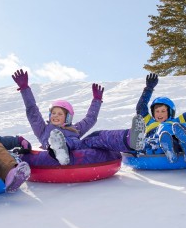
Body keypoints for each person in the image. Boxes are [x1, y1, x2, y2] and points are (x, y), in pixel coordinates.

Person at [12, 69, 146, 166]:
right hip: (52, 152)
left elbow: (90, 119)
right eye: (53, 113)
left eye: (60, 114)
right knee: (57, 138)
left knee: (96, 135)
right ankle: (59, 149)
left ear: (68, 117)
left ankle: (130, 138)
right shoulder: (43, 129)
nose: (55, 116)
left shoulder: (74, 129)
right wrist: (25, 89)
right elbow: (32, 111)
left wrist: (97, 100)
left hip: (79, 148)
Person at [135, 73, 186, 163]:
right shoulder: (149, 121)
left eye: (163, 111)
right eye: (157, 111)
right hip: (154, 142)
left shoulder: (177, 121)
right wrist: (148, 88)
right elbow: (141, 107)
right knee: (161, 131)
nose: (160, 114)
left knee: (180, 129)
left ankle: (178, 148)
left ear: (170, 112)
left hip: (174, 140)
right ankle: (170, 148)